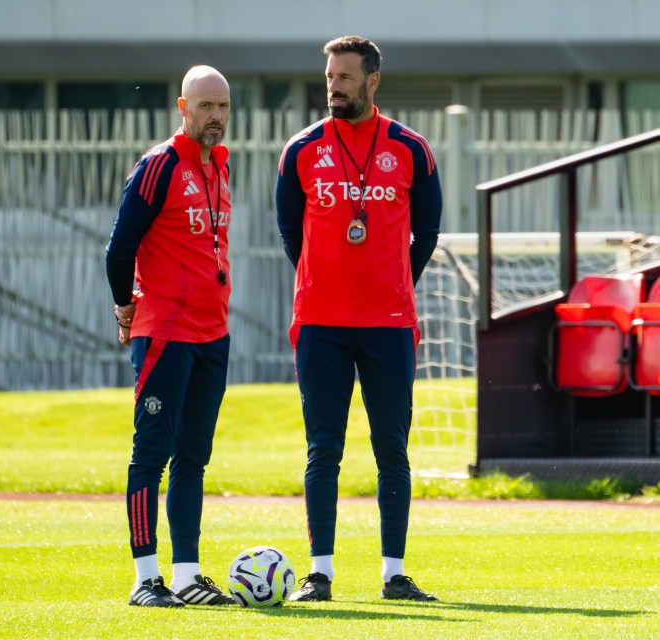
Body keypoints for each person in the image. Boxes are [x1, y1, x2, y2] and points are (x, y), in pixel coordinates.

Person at [275, 36, 443, 603]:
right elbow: (288, 232)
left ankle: (394, 573)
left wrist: (393, 284)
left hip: (389, 323)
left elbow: (429, 231)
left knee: (391, 447)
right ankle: (318, 573)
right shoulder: (301, 149)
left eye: (345, 77)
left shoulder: (410, 148)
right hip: (320, 322)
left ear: (373, 80)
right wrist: (323, 281)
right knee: (324, 448)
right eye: (329, 77)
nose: (334, 87)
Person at [105, 65, 236, 608]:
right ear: (182, 108)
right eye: (205, 106)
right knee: (151, 453)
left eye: (223, 107)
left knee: (193, 456)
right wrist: (124, 305)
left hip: (213, 334)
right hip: (165, 334)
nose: (215, 117)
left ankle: (185, 575)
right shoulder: (159, 165)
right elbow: (120, 246)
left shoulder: (221, 168)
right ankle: (145, 578)